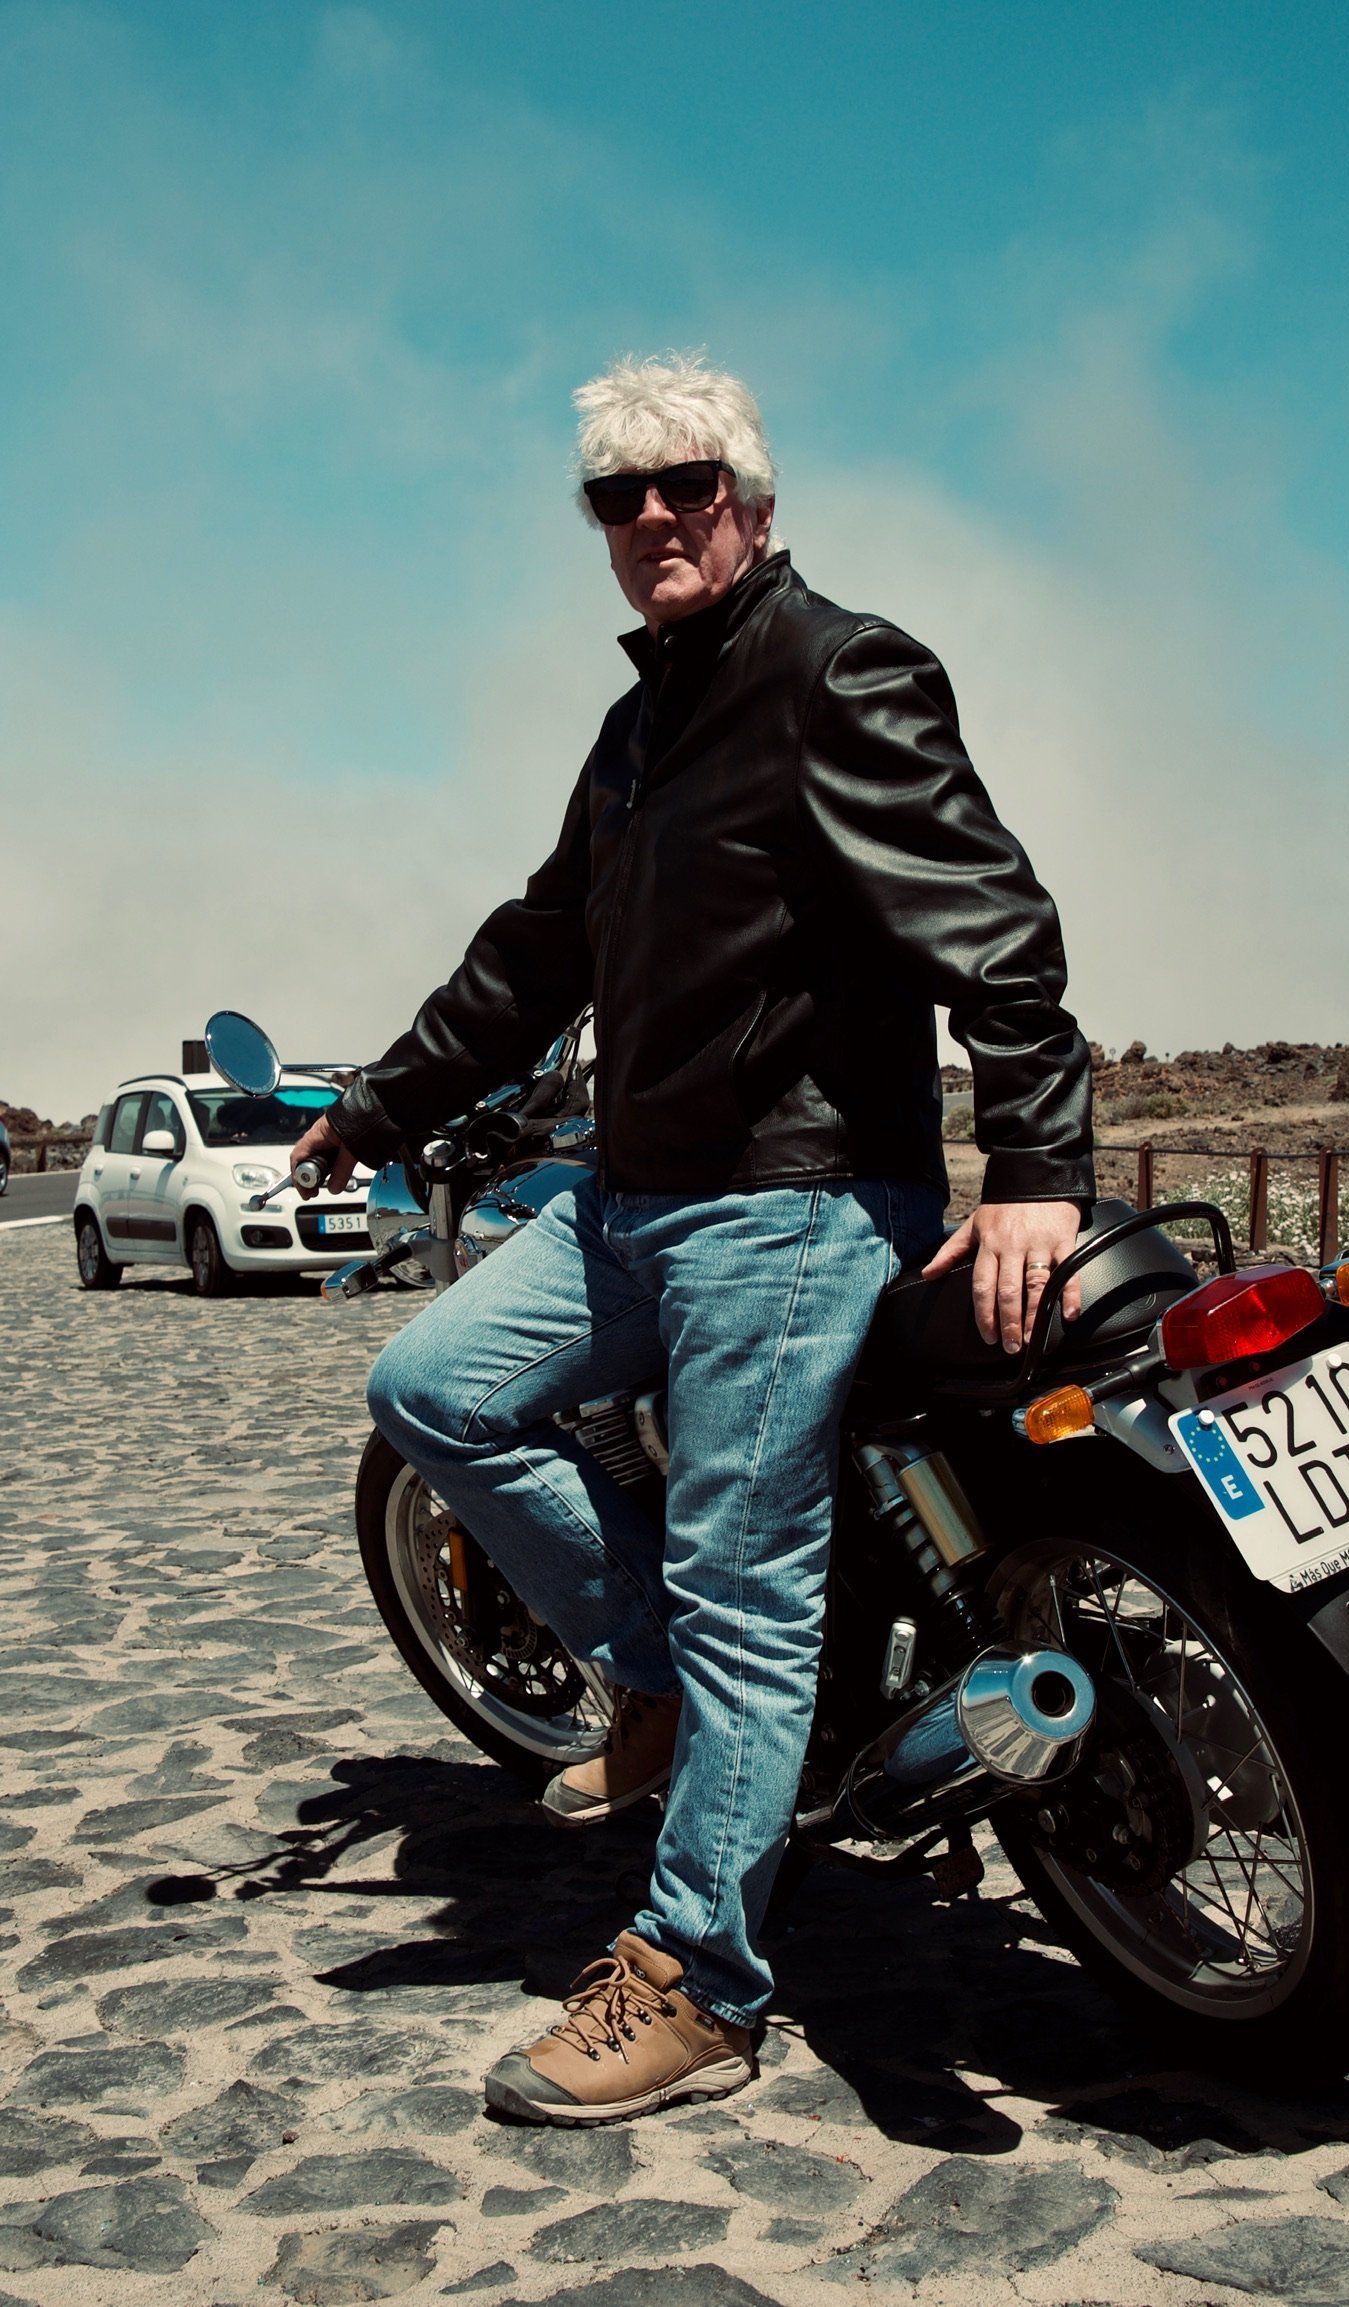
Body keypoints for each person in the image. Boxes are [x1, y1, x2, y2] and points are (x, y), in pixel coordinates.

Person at [289, 352, 1096, 2125]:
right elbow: (537, 949)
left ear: (752, 497)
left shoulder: (838, 671)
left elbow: (999, 927)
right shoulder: (642, 724)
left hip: (793, 1204)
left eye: (686, 485)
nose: (653, 517)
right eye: (616, 496)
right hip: (631, 1197)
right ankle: (645, 1680)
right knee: (431, 1386)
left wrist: (1037, 1162)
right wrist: (376, 1109)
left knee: (749, 1584)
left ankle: (698, 1986)